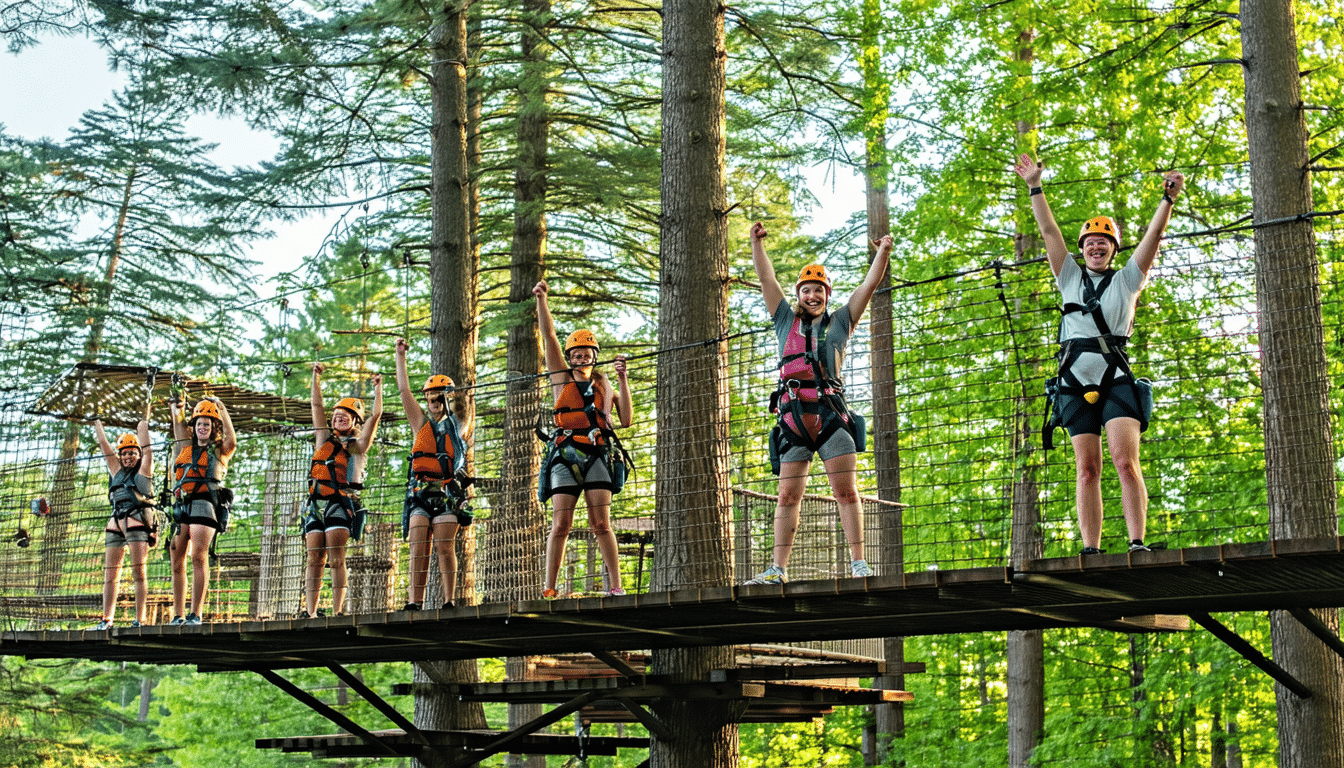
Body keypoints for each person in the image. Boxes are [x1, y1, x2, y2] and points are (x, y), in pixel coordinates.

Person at [1013, 153, 1184, 555]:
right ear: (1083, 249)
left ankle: (1136, 542)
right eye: (1090, 242)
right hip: (1074, 381)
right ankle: (1090, 548)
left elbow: (1152, 240)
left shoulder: (1127, 281)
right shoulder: (1068, 276)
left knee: (1126, 462)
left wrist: (1167, 200)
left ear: (1112, 250)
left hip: (1116, 379)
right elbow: (1050, 233)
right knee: (1087, 470)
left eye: (1103, 242)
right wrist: (1035, 187)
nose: (1095, 247)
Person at [745, 222, 892, 585]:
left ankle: (858, 562)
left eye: (819, 290)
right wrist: (756, 245)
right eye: (807, 290)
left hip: (830, 415)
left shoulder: (841, 321)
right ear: (800, 294)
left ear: (827, 294)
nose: (813, 295)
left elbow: (868, 287)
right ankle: (778, 569)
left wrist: (883, 254)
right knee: (786, 496)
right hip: (793, 418)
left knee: (845, 491)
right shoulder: (784, 320)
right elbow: (767, 281)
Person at [533, 280, 634, 599]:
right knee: (561, 523)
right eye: (575, 354)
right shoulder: (560, 379)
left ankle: (615, 585)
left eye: (585, 353)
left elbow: (626, 420)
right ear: (570, 357)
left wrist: (622, 379)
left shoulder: (606, 385)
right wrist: (542, 300)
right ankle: (549, 587)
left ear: (594, 355)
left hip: (598, 456)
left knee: (601, 523)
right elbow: (548, 337)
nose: (580, 358)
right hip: (565, 455)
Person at [395, 337, 474, 611]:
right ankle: (414, 601)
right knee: (418, 546)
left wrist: (458, 395)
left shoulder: (459, 423)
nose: (434, 403)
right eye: (430, 399)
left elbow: (463, 412)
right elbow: (404, 391)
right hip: (421, 492)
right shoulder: (420, 424)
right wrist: (400, 356)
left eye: (439, 398)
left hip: (448, 492)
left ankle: (449, 600)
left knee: (443, 546)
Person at [302, 364, 383, 618]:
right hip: (315, 504)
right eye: (336, 414)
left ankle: (338, 610)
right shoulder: (322, 438)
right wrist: (315, 378)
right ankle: (311, 611)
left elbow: (375, 417)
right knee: (314, 560)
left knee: (336, 559)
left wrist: (378, 389)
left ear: (355, 421)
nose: (339, 417)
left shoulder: (358, 446)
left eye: (345, 415)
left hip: (340, 504)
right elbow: (316, 408)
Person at [167, 396, 236, 625]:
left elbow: (232, 440)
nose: (202, 427)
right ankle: (178, 614)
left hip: (205, 503)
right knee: (177, 560)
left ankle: (196, 613)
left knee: (198, 556)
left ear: (213, 427)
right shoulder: (185, 447)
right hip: (182, 504)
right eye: (199, 424)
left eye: (207, 424)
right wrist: (177, 408)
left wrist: (221, 408)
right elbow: (178, 427)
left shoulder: (219, 451)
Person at [91, 415, 158, 629]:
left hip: (137, 523)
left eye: (132, 453)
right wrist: (98, 423)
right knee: (111, 574)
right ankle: (106, 619)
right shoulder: (116, 471)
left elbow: (148, 451)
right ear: (120, 456)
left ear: (138, 455)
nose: (128, 456)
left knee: (139, 572)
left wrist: (142, 426)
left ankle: (139, 619)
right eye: (125, 453)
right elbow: (104, 446)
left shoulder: (143, 472)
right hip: (116, 522)